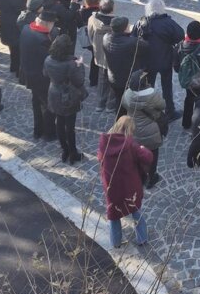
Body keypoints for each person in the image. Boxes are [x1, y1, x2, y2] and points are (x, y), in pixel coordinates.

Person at [97, 116, 151, 249]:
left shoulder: (104, 142)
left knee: (114, 214)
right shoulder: (131, 144)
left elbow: (99, 157)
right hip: (130, 186)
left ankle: (116, 242)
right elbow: (148, 157)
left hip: (112, 187)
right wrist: (143, 147)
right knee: (135, 210)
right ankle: (142, 238)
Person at [133, 0, 184, 120]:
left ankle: (148, 110)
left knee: (148, 87)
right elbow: (180, 35)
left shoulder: (141, 22)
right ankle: (170, 111)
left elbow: (133, 37)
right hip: (165, 60)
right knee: (167, 87)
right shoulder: (168, 22)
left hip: (147, 62)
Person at [44, 33, 87, 164]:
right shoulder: (71, 64)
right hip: (68, 96)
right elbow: (79, 82)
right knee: (70, 125)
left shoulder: (48, 59)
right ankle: (73, 152)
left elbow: (45, 74)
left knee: (59, 122)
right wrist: (80, 66)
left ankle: (65, 150)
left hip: (53, 93)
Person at [121, 69, 166, 187]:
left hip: (134, 130)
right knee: (153, 154)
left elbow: (124, 104)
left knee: (137, 154)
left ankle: (140, 177)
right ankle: (152, 177)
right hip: (151, 130)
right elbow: (162, 105)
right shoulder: (152, 94)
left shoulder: (128, 94)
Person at [19, 9, 57, 140]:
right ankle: (49, 132)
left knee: (36, 101)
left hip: (28, 73)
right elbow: (49, 60)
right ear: (48, 24)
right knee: (48, 105)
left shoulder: (26, 29)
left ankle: (38, 130)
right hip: (41, 78)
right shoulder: (43, 39)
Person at [103, 15, 148, 114]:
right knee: (128, 104)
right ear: (124, 29)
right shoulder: (131, 42)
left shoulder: (106, 37)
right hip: (127, 80)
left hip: (113, 78)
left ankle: (119, 118)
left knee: (119, 100)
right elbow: (146, 46)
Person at [174, 20, 200, 130]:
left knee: (189, 98)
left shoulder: (179, 46)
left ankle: (186, 123)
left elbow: (176, 67)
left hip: (187, 81)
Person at [0, 0, 25, 77]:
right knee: (17, 47)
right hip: (13, 21)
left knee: (13, 47)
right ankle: (18, 70)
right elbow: (20, 7)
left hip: (4, 20)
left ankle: (14, 66)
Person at [88, 0, 115, 112]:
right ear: (112, 9)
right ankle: (110, 105)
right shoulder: (117, 22)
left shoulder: (93, 19)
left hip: (99, 52)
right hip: (112, 54)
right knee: (113, 79)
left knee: (102, 77)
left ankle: (100, 103)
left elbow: (90, 34)